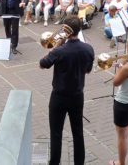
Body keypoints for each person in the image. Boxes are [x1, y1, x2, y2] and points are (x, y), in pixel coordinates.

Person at [39, 15, 95, 165]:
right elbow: (88, 71)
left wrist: (56, 45)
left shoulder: (60, 51)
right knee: (78, 133)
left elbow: (42, 64)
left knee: (56, 134)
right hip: (77, 96)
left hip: (59, 97)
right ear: (80, 29)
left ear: (65, 30)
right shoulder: (88, 48)